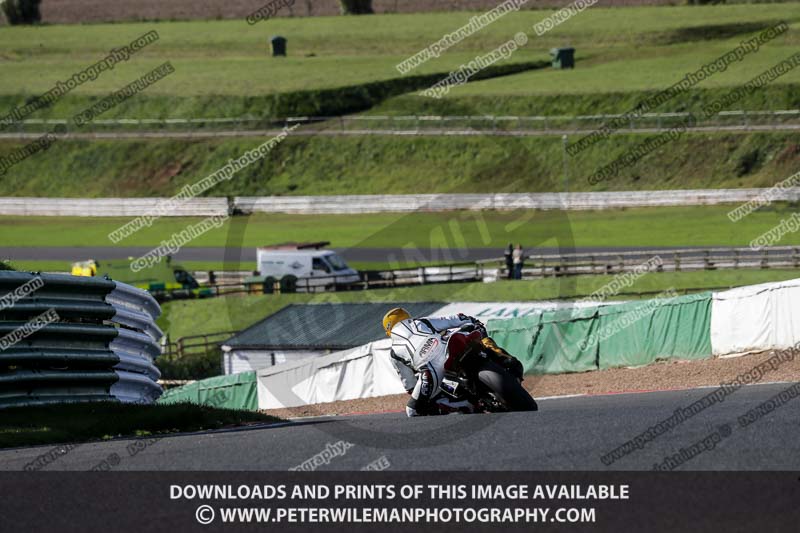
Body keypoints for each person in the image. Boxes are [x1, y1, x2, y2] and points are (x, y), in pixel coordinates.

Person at [382, 307, 524, 417]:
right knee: (479, 334)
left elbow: (410, 386)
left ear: (388, 329)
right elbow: (453, 319)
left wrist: (422, 392)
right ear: (406, 317)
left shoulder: (394, 353)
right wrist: (471, 321)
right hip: (448, 348)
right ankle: (502, 357)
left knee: (412, 411)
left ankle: (463, 405)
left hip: (431, 372)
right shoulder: (421, 322)